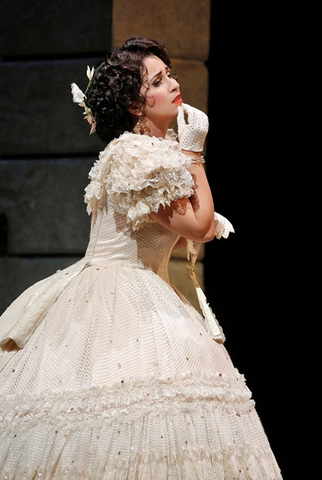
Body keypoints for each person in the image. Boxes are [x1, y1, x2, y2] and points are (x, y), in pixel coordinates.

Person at [0, 37, 282, 479]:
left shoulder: (149, 153)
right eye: (159, 79)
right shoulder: (137, 153)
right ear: (135, 105)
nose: (173, 82)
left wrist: (185, 156)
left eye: (169, 73)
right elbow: (200, 228)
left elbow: (197, 223)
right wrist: (194, 154)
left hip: (137, 287)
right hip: (120, 297)